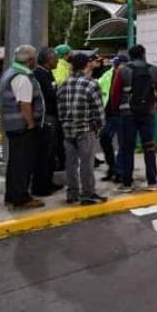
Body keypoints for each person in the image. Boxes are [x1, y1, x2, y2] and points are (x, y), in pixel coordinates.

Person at [111, 44, 157, 192]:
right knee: (149, 147)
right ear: (144, 54)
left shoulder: (123, 71)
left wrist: (116, 108)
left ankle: (127, 183)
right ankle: (152, 181)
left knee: (127, 148)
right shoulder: (154, 70)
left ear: (130, 55)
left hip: (127, 114)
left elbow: (115, 93)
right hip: (147, 114)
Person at [0, 44, 46, 211]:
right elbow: (25, 105)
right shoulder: (23, 77)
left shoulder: (9, 73)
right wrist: (32, 124)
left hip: (12, 125)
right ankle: (21, 198)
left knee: (15, 163)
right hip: (22, 127)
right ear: (31, 60)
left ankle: (11, 196)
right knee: (22, 164)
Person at [57, 52, 107, 205]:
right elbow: (98, 111)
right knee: (86, 163)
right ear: (86, 65)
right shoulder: (91, 84)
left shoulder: (63, 85)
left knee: (70, 164)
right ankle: (88, 194)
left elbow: (59, 108)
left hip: (67, 130)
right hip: (85, 129)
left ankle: (72, 193)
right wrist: (99, 127)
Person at [31, 47, 64, 197]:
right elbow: (47, 96)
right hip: (46, 119)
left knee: (51, 154)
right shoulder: (39, 75)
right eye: (55, 58)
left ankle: (48, 182)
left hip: (53, 117)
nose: (57, 61)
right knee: (44, 154)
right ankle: (40, 187)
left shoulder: (48, 73)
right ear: (48, 60)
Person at [98, 54, 127, 181]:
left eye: (119, 65)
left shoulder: (128, 76)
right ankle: (112, 167)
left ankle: (119, 171)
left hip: (123, 114)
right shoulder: (108, 74)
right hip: (109, 114)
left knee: (122, 143)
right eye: (115, 65)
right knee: (104, 139)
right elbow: (98, 85)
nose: (116, 67)